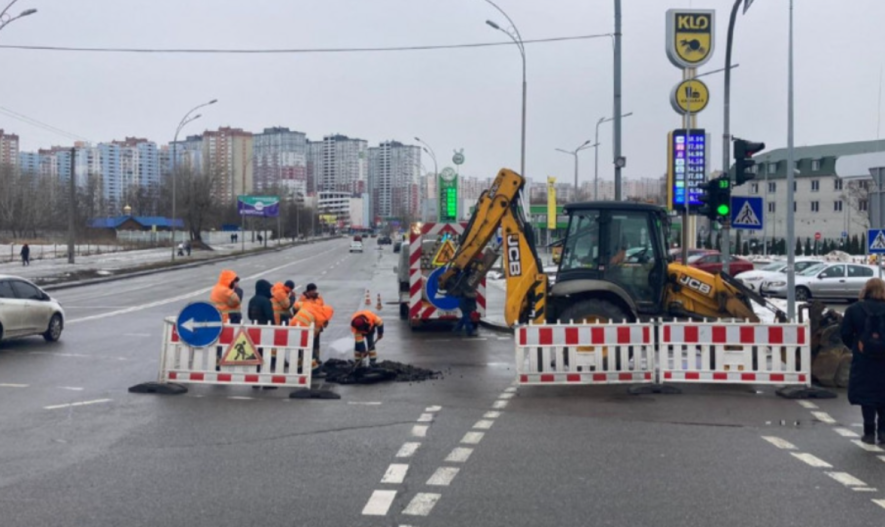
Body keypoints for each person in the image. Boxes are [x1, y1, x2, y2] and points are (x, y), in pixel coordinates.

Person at [840, 277, 885, 445]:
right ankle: (883, 431)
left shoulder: (854, 309)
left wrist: (856, 347)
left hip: (864, 358)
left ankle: (868, 432)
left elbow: (845, 333)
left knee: (867, 395)